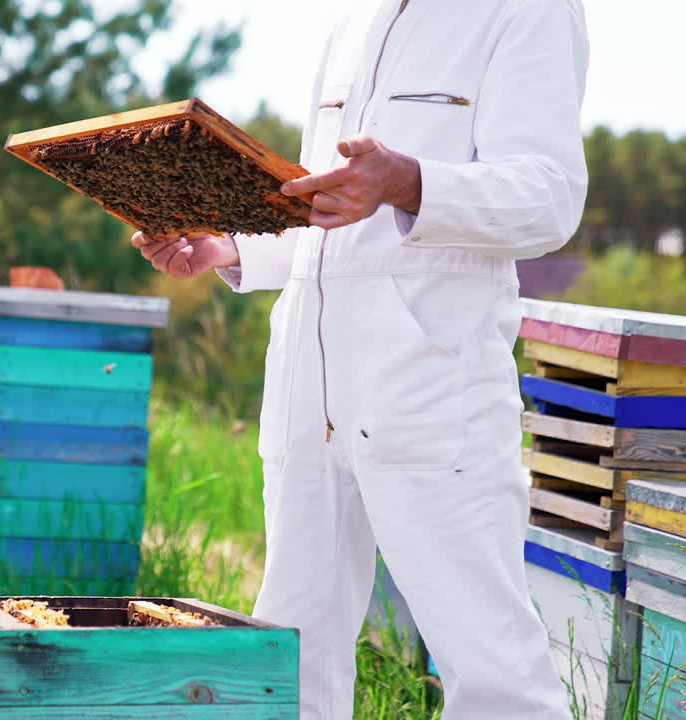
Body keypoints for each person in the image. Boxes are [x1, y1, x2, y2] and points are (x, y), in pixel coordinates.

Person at [131, 1, 589, 718]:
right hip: (307, 380)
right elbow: (334, 219)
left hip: (431, 378)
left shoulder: (527, 8)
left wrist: (409, 181)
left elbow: (550, 199)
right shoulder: (351, 18)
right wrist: (230, 244)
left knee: (488, 656)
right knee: (293, 640)